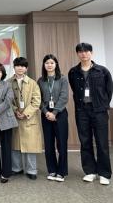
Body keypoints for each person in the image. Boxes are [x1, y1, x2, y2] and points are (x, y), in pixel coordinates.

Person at [68, 43, 113, 185]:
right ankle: (90, 171)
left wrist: (103, 105)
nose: (84, 54)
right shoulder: (73, 72)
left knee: (102, 142)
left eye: (86, 51)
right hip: (82, 111)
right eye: (80, 52)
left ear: (91, 53)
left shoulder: (102, 71)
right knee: (85, 141)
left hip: (99, 111)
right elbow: (75, 90)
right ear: (77, 54)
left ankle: (104, 173)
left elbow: (109, 90)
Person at [9, 57, 42, 180]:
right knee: (15, 145)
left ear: (26, 68)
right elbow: (7, 100)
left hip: (29, 119)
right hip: (14, 118)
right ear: (14, 67)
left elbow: (36, 101)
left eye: (23, 66)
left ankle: (31, 170)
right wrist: (15, 110)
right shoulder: (8, 82)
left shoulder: (33, 83)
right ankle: (16, 168)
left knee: (30, 146)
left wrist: (26, 113)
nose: (20, 68)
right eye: (18, 65)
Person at [38, 54, 69, 182]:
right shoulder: (40, 80)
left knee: (61, 143)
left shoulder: (62, 79)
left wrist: (54, 112)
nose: (49, 65)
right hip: (45, 114)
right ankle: (52, 170)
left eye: (52, 62)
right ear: (44, 65)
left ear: (56, 64)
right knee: (49, 143)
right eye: (47, 63)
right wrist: (46, 112)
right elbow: (38, 98)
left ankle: (61, 171)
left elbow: (64, 97)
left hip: (60, 113)